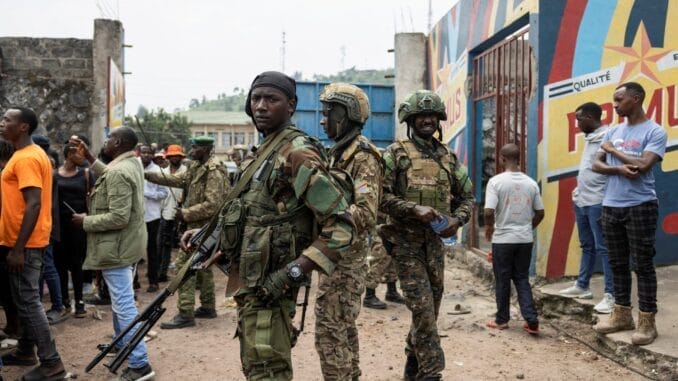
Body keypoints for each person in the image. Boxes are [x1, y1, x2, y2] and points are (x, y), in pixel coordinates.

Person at [181, 71, 354, 381]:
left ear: (290, 105)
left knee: (268, 371)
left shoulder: (296, 153)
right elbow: (253, 213)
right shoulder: (263, 151)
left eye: (271, 99)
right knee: (257, 367)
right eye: (255, 99)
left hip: (273, 287)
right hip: (251, 283)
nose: (260, 106)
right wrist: (211, 233)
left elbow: (342, 227)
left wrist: (293, 272)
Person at [380, 90, 474, 381]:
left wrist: (457, 220)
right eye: (421, 115)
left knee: (430, 309)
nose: (427, 120)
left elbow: (468, 196)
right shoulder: (395, 154)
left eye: (432, 115)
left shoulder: (448, 157)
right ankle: (431, 373)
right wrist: (412, 209)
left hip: (435, 246)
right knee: (422, 310)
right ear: (410, 119)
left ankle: (412, 362)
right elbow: (379, 197)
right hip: (405, 245)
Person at [69, 127, 155, 380]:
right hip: (129, 245)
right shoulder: (133, 162)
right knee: (121, 302)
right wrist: (89, 160)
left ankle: (140, 364)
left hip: (117, 247)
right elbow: (111, 176)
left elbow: (118, 217)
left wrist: (85, 221)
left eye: (107, 138)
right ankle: (122, 345)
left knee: (124, 306)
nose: (104, 142)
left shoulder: (120, 170)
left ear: (117, 142)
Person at [315, 83, 383, 380]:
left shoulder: (363, 156)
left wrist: (324, 214)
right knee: (342, 328)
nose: (321, 119)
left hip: (346, 261)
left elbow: (366, 213)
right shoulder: (339, 153)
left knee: (329, 333)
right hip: (334, 258)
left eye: (327, 113)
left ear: (345, 115)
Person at [592, 82, 667, 346]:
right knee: (616, 263)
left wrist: (613, 152)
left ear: (635, 99)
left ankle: (647, 321)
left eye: (619, 100)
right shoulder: (613, 130)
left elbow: (644, 165)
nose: (614, 105)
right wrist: (618, 168)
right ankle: (622, 314)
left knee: (643, 265)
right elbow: (596, 164)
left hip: (641, 205)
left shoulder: (655, 131)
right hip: (611, 204)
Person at [0, 107, 66, 381]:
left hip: (23, 243)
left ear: (24, 126)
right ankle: (26, 350)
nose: (2, 123)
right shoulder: (28, 154)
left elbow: (34, 203)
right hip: (28, 240)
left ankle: (51, 363)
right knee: (27, 298)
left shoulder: (27, 158)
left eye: (7, 120)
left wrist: (17, 249)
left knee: (28, 301)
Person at [145, 136, 227, 328]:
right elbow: (176, 179)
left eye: (196, 147)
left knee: (184, 268)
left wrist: (186, 213)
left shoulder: (214, 171)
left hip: (204, 228)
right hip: (195, 228)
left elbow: (213, 205)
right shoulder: (196, 166)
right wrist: (147, 174)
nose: (191, 149)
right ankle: (208, 307)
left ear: (206, 149)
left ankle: (185, 313)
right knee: (204, 268)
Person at [558, 102, 614, 313]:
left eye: (579, 119)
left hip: (598, 201)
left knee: (604, 248)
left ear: (590, 117)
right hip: (582, 199)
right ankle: (583, 285)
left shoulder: (608, 136)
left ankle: (611, 294)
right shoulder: (591, 138)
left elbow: (611, 169)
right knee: (587, 245)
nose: (577, 123)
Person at [484, 143, 545, 335]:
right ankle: (531, 320)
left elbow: (488, 210)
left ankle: (502, 320)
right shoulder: (531, 183)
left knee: (502, 279)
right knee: (521, 278)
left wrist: (489, 227)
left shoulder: (496, 182)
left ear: (502, 159)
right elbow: (540, 212)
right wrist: (528, 227)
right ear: (519, 159)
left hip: (503, 239)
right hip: (524, 239)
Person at [54, 136, 96, 318]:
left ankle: (79, 302)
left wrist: (89, 217)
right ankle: (63, 300)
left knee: (78, 264)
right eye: (79, 153)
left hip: (78, 225)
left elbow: (94, 199)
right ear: (70, 154)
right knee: (60, 265)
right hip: (58, 226)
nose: (83, 156)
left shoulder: (86, 174)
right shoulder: (53, 175)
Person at [32, 134, 70, 324]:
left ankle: (58, 306)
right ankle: (41, 305)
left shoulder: (44, 166)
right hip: (44, 224)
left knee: (47, 267)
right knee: (41, 268)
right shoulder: (46, 165)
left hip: (44, 225)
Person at [139, 144, 168, 293]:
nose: (145, 155)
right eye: (143, 152)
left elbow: (164, 193)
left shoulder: (157, 171)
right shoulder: (134, 167)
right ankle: (134, 282)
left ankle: (153, 281)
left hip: (152, 215)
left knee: (152, 249)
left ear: (152, 154)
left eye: (148, 153)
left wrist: (148, 194)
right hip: (136, 216)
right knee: (135, 249)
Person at [157, 144, 187, 282]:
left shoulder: (187, 172)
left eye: (177, 155)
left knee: (186, 245)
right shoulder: (163, 173)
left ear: (181, 157)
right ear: (168, 157)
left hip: (183, 215)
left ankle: (186, 274)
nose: (175, 158)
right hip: (165, 214)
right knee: (164, 244)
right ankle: (162, 272)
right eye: (172, 155)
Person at [362, 217, 404, 309]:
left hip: (392, 231)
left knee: (392, 260)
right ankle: (369, 296)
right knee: (380, 261)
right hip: (380, 229)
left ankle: (391, 292)